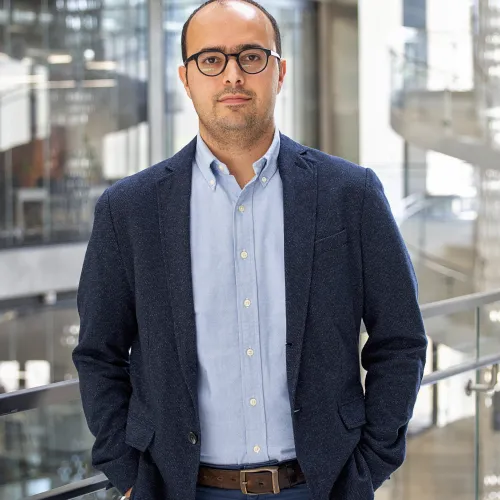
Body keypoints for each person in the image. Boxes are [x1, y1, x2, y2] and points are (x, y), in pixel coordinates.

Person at [72, 0, 427, 499]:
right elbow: (98, 353)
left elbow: (401, 339)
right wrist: (128, 474)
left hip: (322, 485)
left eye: (251, 57)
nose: (232, 75)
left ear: (279, 72)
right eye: (211, 60)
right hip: (180, 488)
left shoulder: (351, 194)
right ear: (187, 78)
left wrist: (370, 463)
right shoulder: (129, 209)